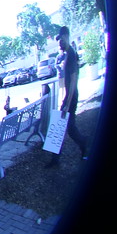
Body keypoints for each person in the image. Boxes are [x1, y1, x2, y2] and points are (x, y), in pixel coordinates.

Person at [46, 25, 88, 167]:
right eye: (58, 41)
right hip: (69, 96)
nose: (59, 43)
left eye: (61, 40)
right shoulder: (68, 54)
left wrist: (67, 104)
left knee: (64, 127)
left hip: (71, 96)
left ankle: (83, 144)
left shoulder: (71, 55)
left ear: (66, 37)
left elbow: (73, 81)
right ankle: (56, 159)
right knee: (65, 127)